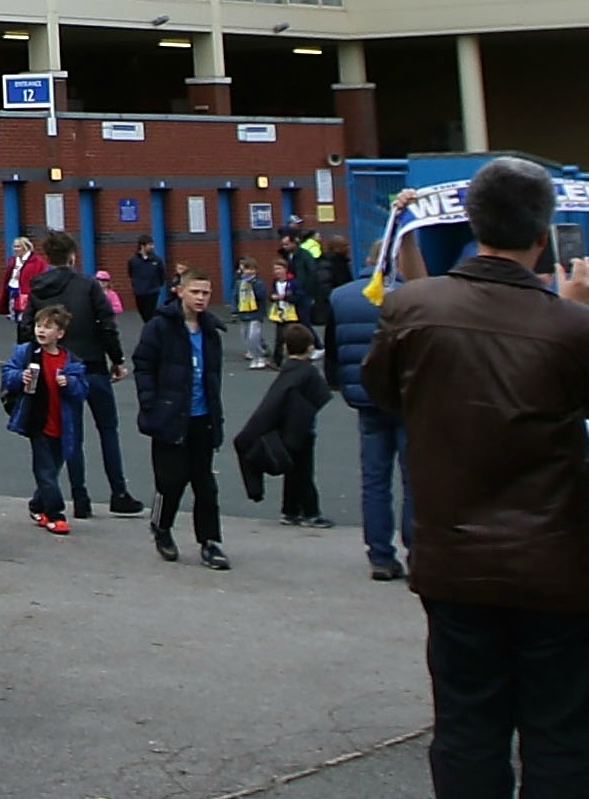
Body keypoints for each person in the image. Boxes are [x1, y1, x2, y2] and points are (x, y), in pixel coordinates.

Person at [366, 156, 589, 799]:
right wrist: (572, 311)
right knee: (561, 746)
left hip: (457, 557)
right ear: (543, 231)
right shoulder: (568, 325)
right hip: (559, 562)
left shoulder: (415, 311)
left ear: (472, 224)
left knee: (469, 737)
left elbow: (381, 391)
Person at [19, 233, 136, 517]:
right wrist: (117, 358)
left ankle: (79, 495)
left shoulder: (38, 288)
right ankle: (118, 491)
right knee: (107, 429)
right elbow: (106, 324)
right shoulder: (88, 286)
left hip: (55, 365)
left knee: (72, 434)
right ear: (72, 256)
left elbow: (26, 329)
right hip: (91, 362)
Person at [327, 218, 411, 583]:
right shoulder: (411, 297)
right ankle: (417, 551)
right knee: (414, 478)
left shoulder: (343, 296)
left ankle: (379, 553)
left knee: (374, 478)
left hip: (365, 395)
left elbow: (333, 349)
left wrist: (342, 384)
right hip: (408, 398)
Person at [133, 269, 233, 569]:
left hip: (202, 416)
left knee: (205, 484)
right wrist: (151, 404)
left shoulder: (211, 332)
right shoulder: (160, 327)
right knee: (170, 481)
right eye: (195, 292)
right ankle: (161, 527)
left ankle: (210, 541)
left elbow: (212, 376)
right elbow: (143, 365)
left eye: (206, 293)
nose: (201, 298)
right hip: (169, 415)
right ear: (180, 291)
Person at [234, 323, 335, 528]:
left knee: (293, 471)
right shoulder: (309, 373)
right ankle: (310, 511)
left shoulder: (287, 371)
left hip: (286, 430)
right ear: (309, 348)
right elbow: (319, 397)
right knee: (304, 472)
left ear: (286, 348)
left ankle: (290, 510)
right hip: (304, 431)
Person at [2, 305, 87, 530]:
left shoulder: (70, 360)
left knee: (53, 468)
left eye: (48, 328)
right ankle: (56, 514)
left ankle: (37, 504)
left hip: (63, 424)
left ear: (60, 334)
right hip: (36, 421)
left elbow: (82, 391)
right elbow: (8, 375)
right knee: (45, 470)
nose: (41, 331)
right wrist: (20, 376)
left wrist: (70, 383)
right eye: (39, 326)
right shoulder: (25, 352)